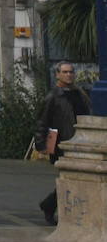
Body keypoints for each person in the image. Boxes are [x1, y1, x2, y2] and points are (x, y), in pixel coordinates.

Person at [35, 60, 90, 225]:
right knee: (68, 178)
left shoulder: (80, 94)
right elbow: (41, 122)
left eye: (71, 72)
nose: (69, 75)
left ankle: (50, 205)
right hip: (61, 143)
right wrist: (42, 145)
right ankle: (50, 206)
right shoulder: (53, 96)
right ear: (57, 74)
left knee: (78, 178)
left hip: (81, 142)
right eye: (65, 72)